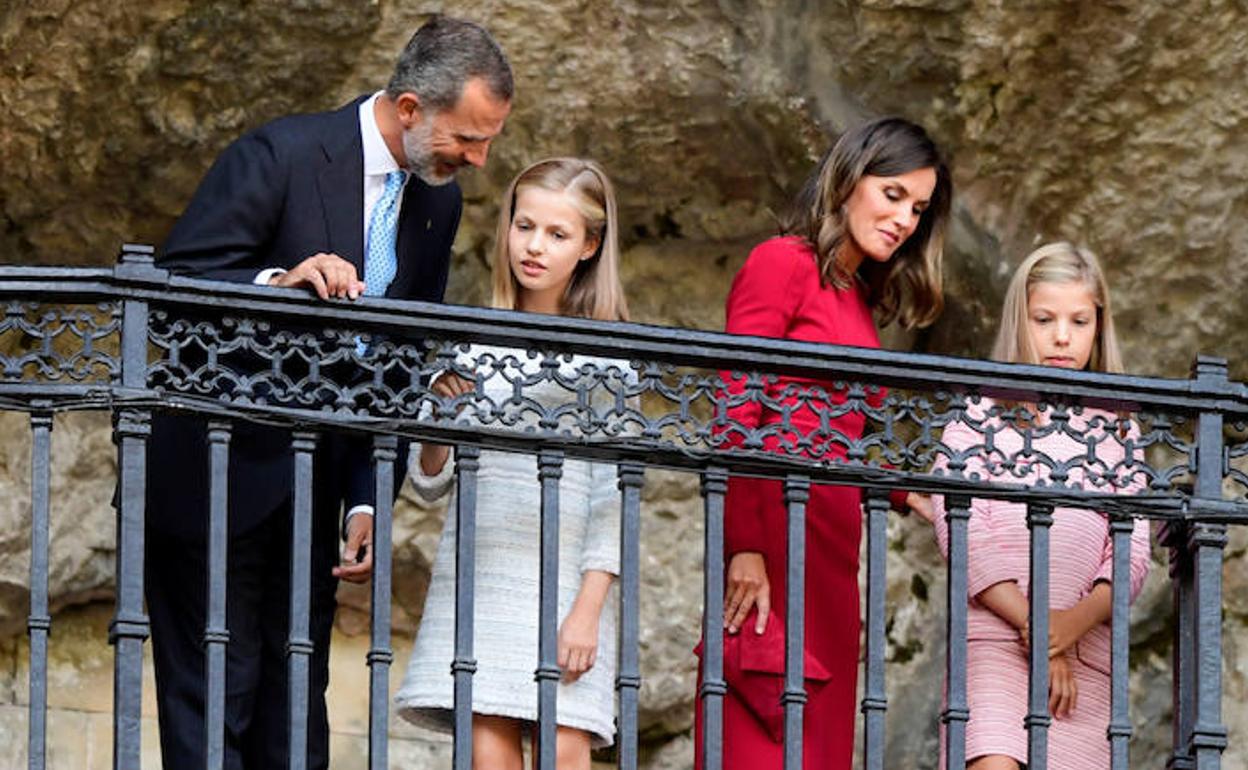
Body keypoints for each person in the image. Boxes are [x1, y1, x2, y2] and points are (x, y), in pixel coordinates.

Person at [143, 17, 512, 769]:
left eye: (487, 140)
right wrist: (278, 285)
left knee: (294, 712)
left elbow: (401, 360)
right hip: (215, 480)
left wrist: (370, 496)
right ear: (409, 108)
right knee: (216, 701)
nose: (478, 159)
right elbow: (170, 290)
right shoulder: (279, 154)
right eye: (467, 138)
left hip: (315, 495)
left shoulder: (437, 203)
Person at [695, 117, 952, 769]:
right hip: (772, 541)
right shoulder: (781, 262)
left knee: (817, 746)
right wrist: (744, 546)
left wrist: (905, 491)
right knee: (757, 734)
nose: (903, 220)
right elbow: (737, 411)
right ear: (848, 178)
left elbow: (840, 435)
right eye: (892, 194)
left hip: (835, 555)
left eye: (917, 209)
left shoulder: (858, 302)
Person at [395, 157, 630, 770]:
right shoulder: (469, 344)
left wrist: (587, 610)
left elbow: (616, 496)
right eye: (524, 226)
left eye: (557, 234)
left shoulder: (609, 359)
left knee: (564, 746)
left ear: (589, 245)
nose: (534, 247)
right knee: (487, 753)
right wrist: (440, 419)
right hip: (481, 571)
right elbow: (428, 481)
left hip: (567, 585)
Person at [924, 243, 1152, 769]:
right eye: (1044, 319)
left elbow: (1132, 548)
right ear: (1019, 320)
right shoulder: (980, 414)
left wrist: (1071, 626)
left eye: (1080, 320)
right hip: (996, 642)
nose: (1062, 337)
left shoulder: (1117, 428)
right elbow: (959, 527)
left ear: (1100, 325)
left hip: (1085, 654)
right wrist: (1038, 631)